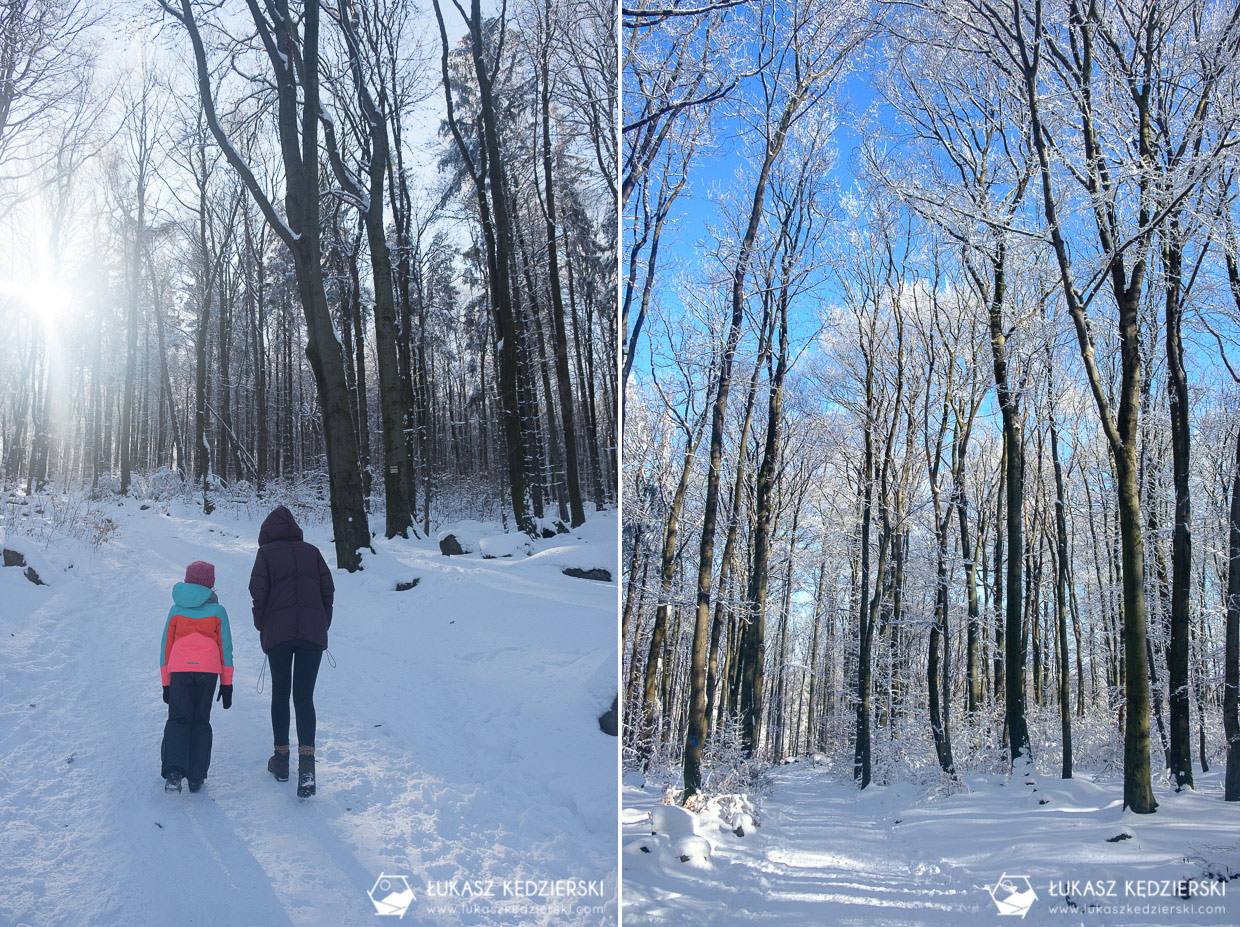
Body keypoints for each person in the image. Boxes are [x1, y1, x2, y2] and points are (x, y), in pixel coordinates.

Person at [249, 505, 333, 797]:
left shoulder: (265, 554)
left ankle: (281, 760)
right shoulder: (312, 552)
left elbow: (258, 591)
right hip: (312, 633)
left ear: (266, 532)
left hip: (279, 634)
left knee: (280, 693)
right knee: (304, 697)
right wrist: (323, 622)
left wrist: (263, 623)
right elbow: (328, 590)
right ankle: (307, 768)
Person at [160, 560, 234, 793]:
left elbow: (166, 647)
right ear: (210, 584)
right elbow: (226, 648)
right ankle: (196, 776)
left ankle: (174, 771)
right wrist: (227, 683)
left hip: (179, 670)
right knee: (201, 720)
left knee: (178, 719)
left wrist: (166, 682)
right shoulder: (218, 611)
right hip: (208, 671)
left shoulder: (176, 610)